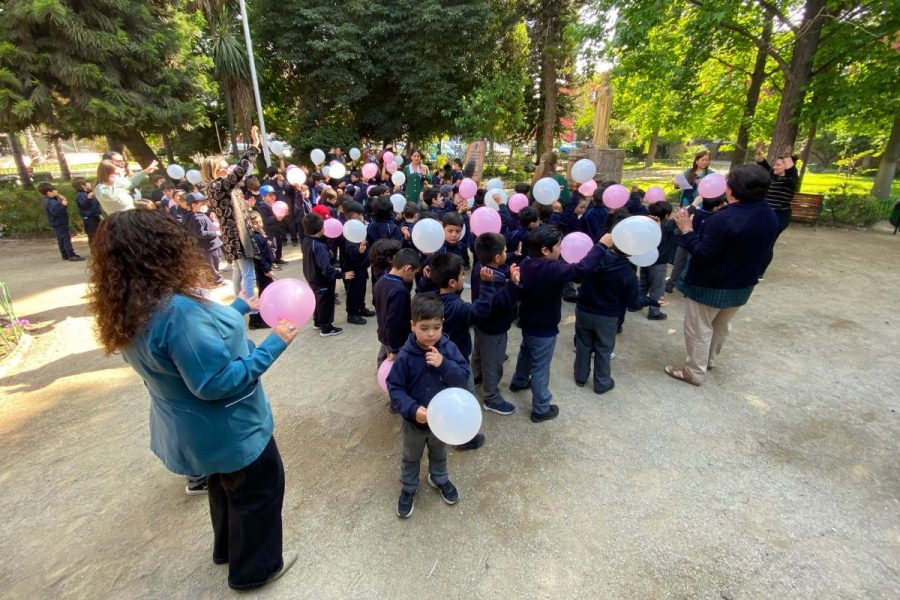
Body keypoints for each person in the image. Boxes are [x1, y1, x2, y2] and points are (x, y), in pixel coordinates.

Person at [86, 209, 298, 591]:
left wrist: (237, 307)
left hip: (193, 430)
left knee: (224, 485)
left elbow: (190, 350)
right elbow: (215, 381)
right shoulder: (176, 311)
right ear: (163, 249)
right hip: (229, 428)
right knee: (259, 489)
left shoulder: (131, 306)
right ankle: (255, 570)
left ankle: (228, 549)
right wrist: (273, 344)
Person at [665, 164, 778, 386]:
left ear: (732, 190)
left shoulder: (723, 219)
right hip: (743, 282)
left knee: (699, 328)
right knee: (721, 325)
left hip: (711, 284)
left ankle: (693, 372)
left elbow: (703, 254)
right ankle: (708, 360)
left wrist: (687, 230)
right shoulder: (769, 215)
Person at [509, 226, 607, 423]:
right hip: (544, 328)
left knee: (526, 352)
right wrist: (601, 246)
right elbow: (581, 269)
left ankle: (519, 381)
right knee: (540, 367)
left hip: (528, 321)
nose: (562, 249)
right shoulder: (551, 268)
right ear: (545, 250)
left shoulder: (527, 263)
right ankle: (541, 408)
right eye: (558, 246)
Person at [386, 294, 470, 519]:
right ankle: (409, 488)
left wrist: (443, 364)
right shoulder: (405, 356)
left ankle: (439, 478)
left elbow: (463, 376)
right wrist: (413, 410)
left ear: (443, 324)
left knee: (439, 452)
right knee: (411, 456)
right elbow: (394, 387)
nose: (431, 333)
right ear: (413, 326)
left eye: (437, 327)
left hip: (442, 421)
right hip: (415, 423)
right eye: (424, 328)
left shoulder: (449, 349)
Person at [575, 234, 664, 394]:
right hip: (607, 316)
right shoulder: (627, 273)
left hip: (583, 310)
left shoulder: (594, 259)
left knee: (583, 344)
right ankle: (602, 383)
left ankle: (580, 377)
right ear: (631, 252)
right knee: (604, 348)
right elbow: (633, 303)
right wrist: (651, 301)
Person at [430, 253, 496, 451]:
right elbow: (481, 312)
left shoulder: (432, 300)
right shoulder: (458, 308)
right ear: (452, 282)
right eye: (461, 276)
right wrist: (486, 285)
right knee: (465, 396)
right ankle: (464, 438)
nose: (464, 278)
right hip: (457, 361)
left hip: (438, 359)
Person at [200, 126, 262, 323]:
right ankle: (252, 312)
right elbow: (240, 171)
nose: (227, 169)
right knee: (248, 274)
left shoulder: (222, 186)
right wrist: (253, 146)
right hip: (237, 237)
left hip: (234, 235)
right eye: (223, 167)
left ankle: (239, 307)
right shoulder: (217, 186)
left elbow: (240, 174)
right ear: (212, 171)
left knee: (238, 272)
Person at [471, 233, 521, 415]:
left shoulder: (479, 268)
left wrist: (511, 263)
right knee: (493, 362)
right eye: (506, 251)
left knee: (478, 351)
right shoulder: (496, 279)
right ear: (497, 257)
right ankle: (491, 397)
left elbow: (501, 271)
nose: (507, 253)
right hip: (495, 328)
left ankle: (475, 376)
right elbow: (501, 304)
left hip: (481, 322)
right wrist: (514, 284)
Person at [301, 213, 353, 337]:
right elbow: (326, 269)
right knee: (325, 302)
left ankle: (318, 322)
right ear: (321, 228)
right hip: (322, 280)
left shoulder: (307, 240)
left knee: (318, 300)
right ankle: (326, 328)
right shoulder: (319, 246)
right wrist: (342, 275)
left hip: (311, 276)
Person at [756, 143, 799, 279]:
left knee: (768, 242)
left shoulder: (790, 180)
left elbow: (792, 171)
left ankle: (759, 272)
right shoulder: (772, 176)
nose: (774, 167)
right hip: (765, 214)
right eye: (775, 164)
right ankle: (751, 267)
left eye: (778, 165)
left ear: (786, 166)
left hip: (779, 215)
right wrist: (759, 153)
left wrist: (787, 156)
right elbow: (762, 164)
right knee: (757, 240)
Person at [373, 248, 421, 366]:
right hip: (397, 339)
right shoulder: (400, 291)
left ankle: (381, 367)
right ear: (408, 269)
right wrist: (395, 349)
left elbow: (375, 303)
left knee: (384, 353)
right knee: (395, 363)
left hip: (383, 332)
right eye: (414, 273)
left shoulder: (381, 281)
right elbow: (394, 322)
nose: (414, 277)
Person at [640, 201, 676, 321]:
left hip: (645, 258)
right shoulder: (668, 225)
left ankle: (635, 304)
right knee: (657, 287)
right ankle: (654, 312)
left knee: (643, 282)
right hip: (659, 262)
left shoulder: (646, 223)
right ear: (666, 215)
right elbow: (688, 212)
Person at [340, 200, 374, 325]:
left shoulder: (358, 227)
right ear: (354, 216)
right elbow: (349, 252)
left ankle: (361, 307)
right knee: (353, 291)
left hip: (361, 266)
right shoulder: (348, 230)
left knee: (361, 288)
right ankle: (352, 313)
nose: (362, 216)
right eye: (360, 214)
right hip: (352, 267)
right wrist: (359, 251)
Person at [183, 192, 225, 286]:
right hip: (206, 246)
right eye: (201, 203)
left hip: (211, 244)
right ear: (194, 205)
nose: (204, 204)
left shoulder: (200, 214)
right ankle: (217, 280)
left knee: (215, 262)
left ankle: (213, 278)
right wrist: (215, 233)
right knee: (212, 264)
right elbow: (200, 233)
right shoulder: (195, 218)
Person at [94, 158, 158, 214]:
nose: (118, 176)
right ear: (106, 174)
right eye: (116, 174)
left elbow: (130, 183)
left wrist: (146, 171)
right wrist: (118, 181)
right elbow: (110, 195)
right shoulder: (100, 188)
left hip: (130, 217)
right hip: (119, 222)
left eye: (119, 174)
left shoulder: (116, 184)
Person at [40, 183, 84, 262]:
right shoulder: (51, 202)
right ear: (48, 192)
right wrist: (63, 205)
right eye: (54, 190)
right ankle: (71, 255)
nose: (56, 191)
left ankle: (65, 254)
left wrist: (60, 199)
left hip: (57, 222)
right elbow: (55, 212)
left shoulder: (50, 200)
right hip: (60, 222)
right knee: (66, 238)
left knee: (61, 239)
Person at [248, 211, 275, 330]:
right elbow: (259, 256)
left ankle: (260, 318)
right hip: (261, 270)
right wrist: (266, 269)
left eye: (259, 222)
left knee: (266, 292)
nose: (258, 224)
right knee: (264, 294)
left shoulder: (259, 234)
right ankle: (257, 320)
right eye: (254, 223)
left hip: (265, 267)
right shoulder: (254, 237)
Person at [73, 178, 102, 246]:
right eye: (87, 182)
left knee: (98, 233)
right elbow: (83, 205)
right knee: (92, 234)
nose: (89, 184)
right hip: (89, 218)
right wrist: (88, 199)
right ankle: (94, 250)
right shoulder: (81, 195)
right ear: (82, 185)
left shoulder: (88, 193)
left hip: (95, 215)